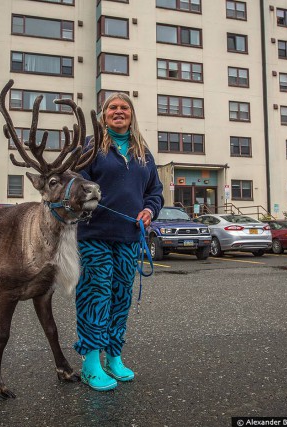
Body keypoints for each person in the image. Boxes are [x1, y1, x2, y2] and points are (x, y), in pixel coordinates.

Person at [75, 92, 164, 391]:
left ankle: (113, 356)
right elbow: (76, 184)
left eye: (124, 107)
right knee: (96, 294)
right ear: (104, 113)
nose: (118, 111)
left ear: (131, 114)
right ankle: (90, 363)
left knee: (121, 296)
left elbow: (155, 191)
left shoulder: (143, 151)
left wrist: (150, 210)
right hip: (94, 234)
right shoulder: (90, 146)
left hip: (129, 236)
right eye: (112, 107)